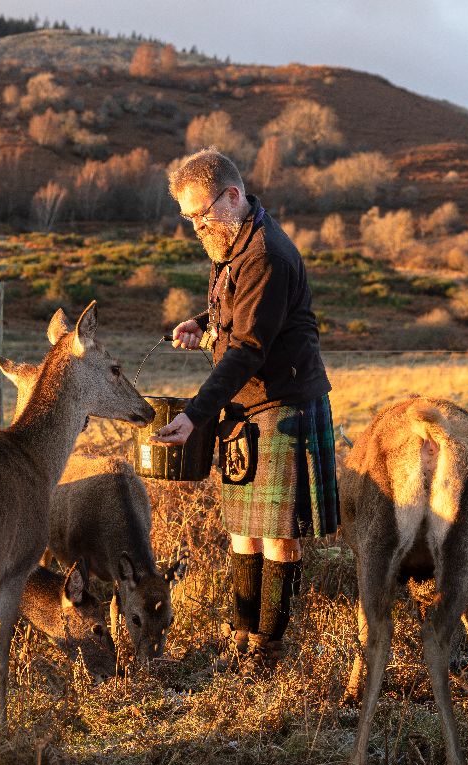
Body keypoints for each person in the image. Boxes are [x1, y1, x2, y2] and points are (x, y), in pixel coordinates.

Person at [149, 147, 338, 668]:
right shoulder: (231, 244)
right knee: (242, 530)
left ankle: (268, 648)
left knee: (278, 539)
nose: (195, 226)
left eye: (201, 213)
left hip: (283, 404)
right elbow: (235, 318)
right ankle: (240, 637)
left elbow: (250, 347)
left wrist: (195, 413)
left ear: (232, 196)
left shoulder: (267, 255)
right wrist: (203, 324)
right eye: (188, 218)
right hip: (244, 405)